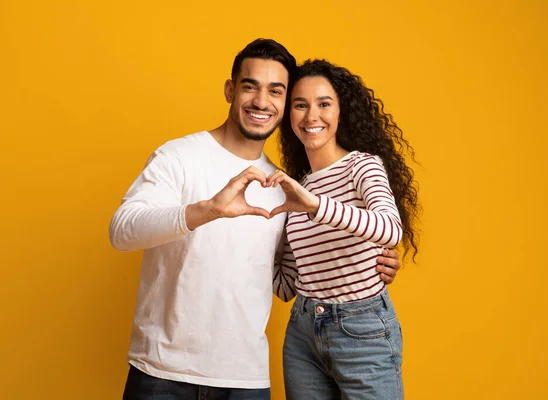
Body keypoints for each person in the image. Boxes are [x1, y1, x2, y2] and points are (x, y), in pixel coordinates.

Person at [109, 39, 401, 400]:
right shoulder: (180, 156)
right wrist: (208, 210)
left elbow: (284, 280)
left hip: (245, 377)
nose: (262, 101)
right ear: (231, 90)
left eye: (276, 91)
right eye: (251, 86)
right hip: (162, 372)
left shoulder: (285, 188)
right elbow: (121, 231)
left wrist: (366, 261)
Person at [271, 59, 420, 399]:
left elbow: (390, 229)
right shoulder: (297, 188)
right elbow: (285, 287)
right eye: (300, 105)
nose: (312, 117)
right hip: (302, 335)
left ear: (341, 112)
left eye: (324, 104)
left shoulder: (361, 166)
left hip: (362, 331)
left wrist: (315, 206)